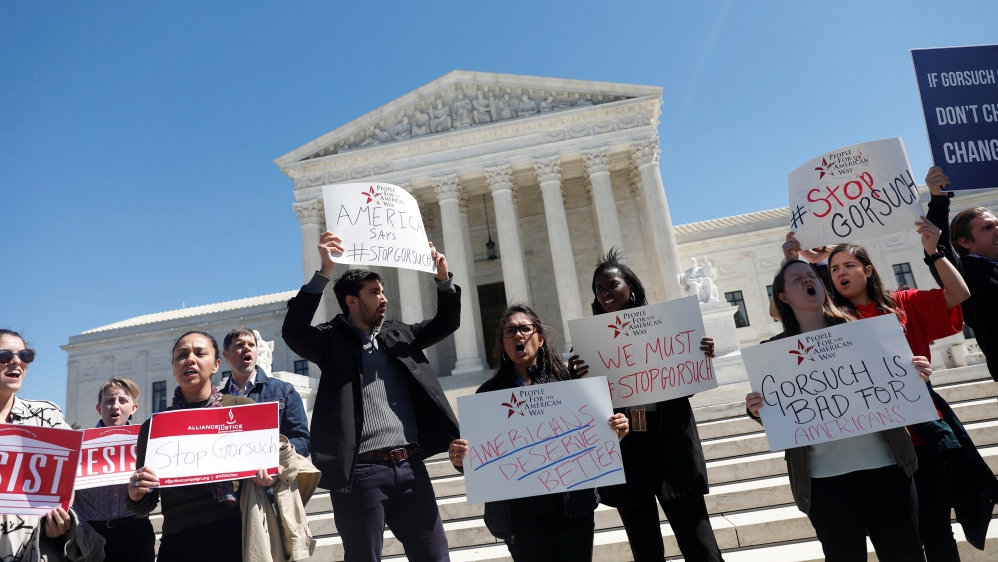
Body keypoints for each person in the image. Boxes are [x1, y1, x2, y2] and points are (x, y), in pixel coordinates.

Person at [282, 231, 460, 562]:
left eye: (382, 291)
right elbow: (293, 332)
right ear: (352, 301)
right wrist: (323, 273)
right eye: (374, 292)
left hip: (410, 466)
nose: (384, 298)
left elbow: (446, 323)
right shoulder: (330, 340)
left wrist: (443, 280)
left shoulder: (399, 333)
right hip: (361, 474)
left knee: (436, 556)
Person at [745, 261, 930, 561]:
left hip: (886, 471)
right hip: (824, 485)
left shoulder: (862, 331)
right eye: (796, 278)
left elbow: (895, 377)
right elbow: (777, 409)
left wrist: (914, 372)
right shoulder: (773, 352)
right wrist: (756, 409)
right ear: (783, 298)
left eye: (811, 274)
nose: (807, 279)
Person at [446, 304, 629, 562]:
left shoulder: (569, 384)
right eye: (510, 332)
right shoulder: (487, 396)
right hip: (520, 517)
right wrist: (460, 458)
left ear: (540, 338)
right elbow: (480, 461)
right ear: (503, 343)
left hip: (572, 508)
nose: (518, 336)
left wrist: (615, 429)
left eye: (525, 329)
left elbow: (594, 435)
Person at [577, 249, 725, 562]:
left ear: (631, 287)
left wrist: (698, 358)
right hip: (627, 455)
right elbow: (586, 409)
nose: (605, 293)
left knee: (702, 548)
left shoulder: (668, 329)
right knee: (646, 552)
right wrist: (576, 377)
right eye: (599, 289)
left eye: (612, 285)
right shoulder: (590, 347)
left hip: (671, 447)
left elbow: (685, 386)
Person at [126, 331, 276, 562]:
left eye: (200, 353)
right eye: (182, 355)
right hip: (179, 541)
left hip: (236, 534)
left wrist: (268, 478)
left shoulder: (243, 409)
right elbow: (144, 504)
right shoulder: (155, 427)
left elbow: (267, 472)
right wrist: (136, 494)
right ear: (174, 366)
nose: (190, 360)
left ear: (216, 364)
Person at [0, 328, 104, 562]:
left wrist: (57, 522)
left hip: (31, 550)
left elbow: (66, 480)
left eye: (25, 355)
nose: (17, 361)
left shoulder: (47, 416)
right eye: (5, 355)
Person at [924, 166, 998, 381]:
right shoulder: (968, 272)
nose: (997, 230)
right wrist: (938, 199)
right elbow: (939, 248)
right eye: (987, 228)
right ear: (965, 242)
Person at [72, 377, 155, 562]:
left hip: (136, 535)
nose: (115, 406)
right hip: (90, 535)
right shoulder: (77, 444)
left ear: (134, 408)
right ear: (99, 408)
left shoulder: (147, 444)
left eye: (123, 401)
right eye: (109, 401)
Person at [219, 326, 310, 456]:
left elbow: (303, 441)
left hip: (273, 474)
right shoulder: (216, 401)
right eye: (239, 345)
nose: (247, 348)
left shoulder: (284, 391)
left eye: (251, 344)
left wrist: (273, 454)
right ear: (226, 355)